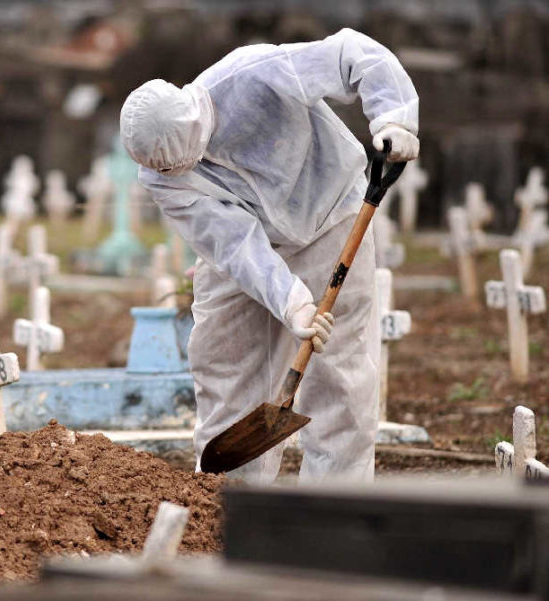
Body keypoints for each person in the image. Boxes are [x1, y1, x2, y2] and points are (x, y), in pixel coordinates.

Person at [120, 28, 419, 483]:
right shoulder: (160, 174)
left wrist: (392, 117)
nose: (173, 173)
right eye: (163, 169)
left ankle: (334, 513)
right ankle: (226, 508)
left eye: (177, 161)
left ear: (192, 122)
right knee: (222, 362)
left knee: (338, 375)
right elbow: (235, 245)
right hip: (245, 251)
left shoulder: (255, 75)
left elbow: (352, 55)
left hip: (330, 218)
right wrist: (292, 303)